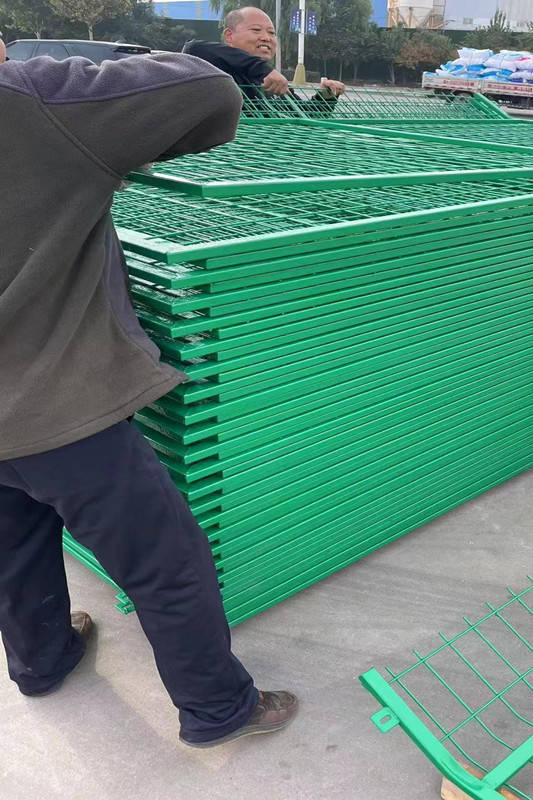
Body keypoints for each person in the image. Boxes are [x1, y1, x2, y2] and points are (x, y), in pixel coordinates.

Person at [0, 43, 297, 747]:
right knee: (166, 562)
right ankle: (218, 707)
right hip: (60, 409)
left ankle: (42, 661)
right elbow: (208, 89)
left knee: (13, 548)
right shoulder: (33, 101)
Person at [183, 6, 346, 114]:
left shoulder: (275, 82)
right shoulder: (216, 69)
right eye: (256, 30)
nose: (266, 38)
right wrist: (262, 69)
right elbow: (193, 48)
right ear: (229, 35)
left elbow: (301, 114)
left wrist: (325, 97)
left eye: (271, 33)